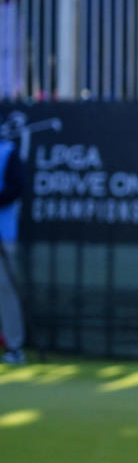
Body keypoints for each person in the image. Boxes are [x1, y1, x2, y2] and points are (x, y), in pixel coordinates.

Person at [0, 136, 26, 365]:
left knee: (6, 290)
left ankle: (14, 347)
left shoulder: (8, 151)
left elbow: (15, 187)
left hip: (4, 235)